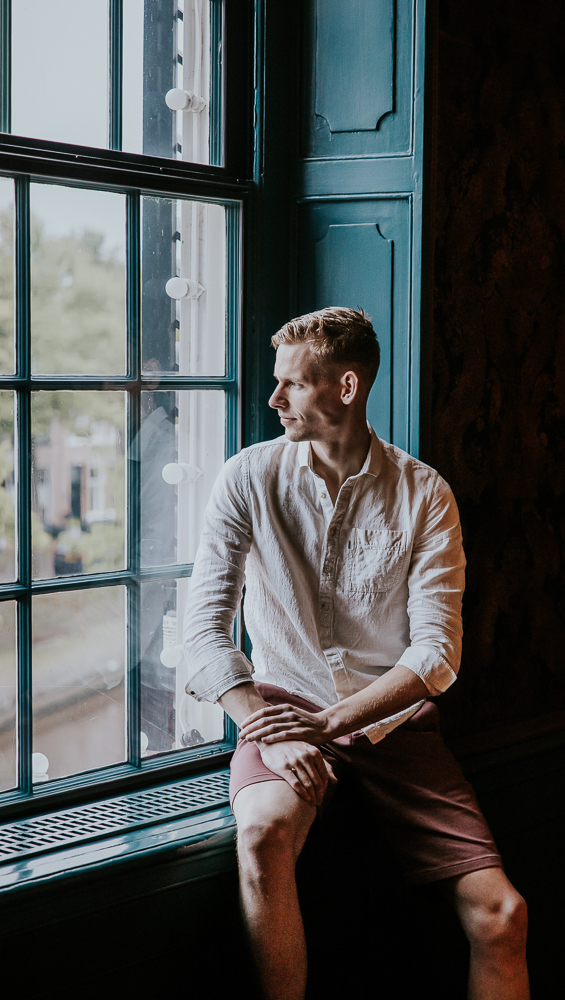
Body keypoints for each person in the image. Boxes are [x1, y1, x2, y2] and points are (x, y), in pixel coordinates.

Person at [184, 307, 529, 1000]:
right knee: (260, 838)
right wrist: (265, 727)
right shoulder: (245, 479)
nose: (274, 398)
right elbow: (201, 634)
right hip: (280, 710)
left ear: (345, 387)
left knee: (503, 916)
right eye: (276, 383)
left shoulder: (423, 493)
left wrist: (333, 723)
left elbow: (436, 655)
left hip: (394, 720)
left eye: (293, 384)